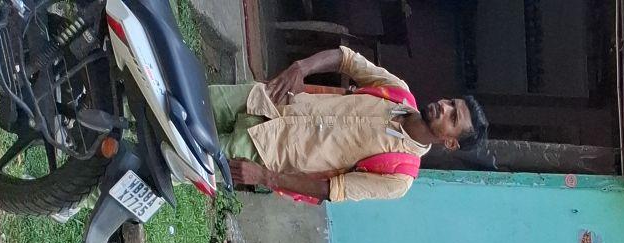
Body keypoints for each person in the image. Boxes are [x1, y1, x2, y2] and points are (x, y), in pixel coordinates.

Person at [209, 45, 492, 204]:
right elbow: (348, 60)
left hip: (263, 153)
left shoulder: (399, 175)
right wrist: (301, 67)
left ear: (450, 143)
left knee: (185, 156)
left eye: (453, 117)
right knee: (186, 99)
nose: (444, 107)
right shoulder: (398, 92)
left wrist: (264, 177)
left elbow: (332, 189)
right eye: (451, 102)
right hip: (267, 99)